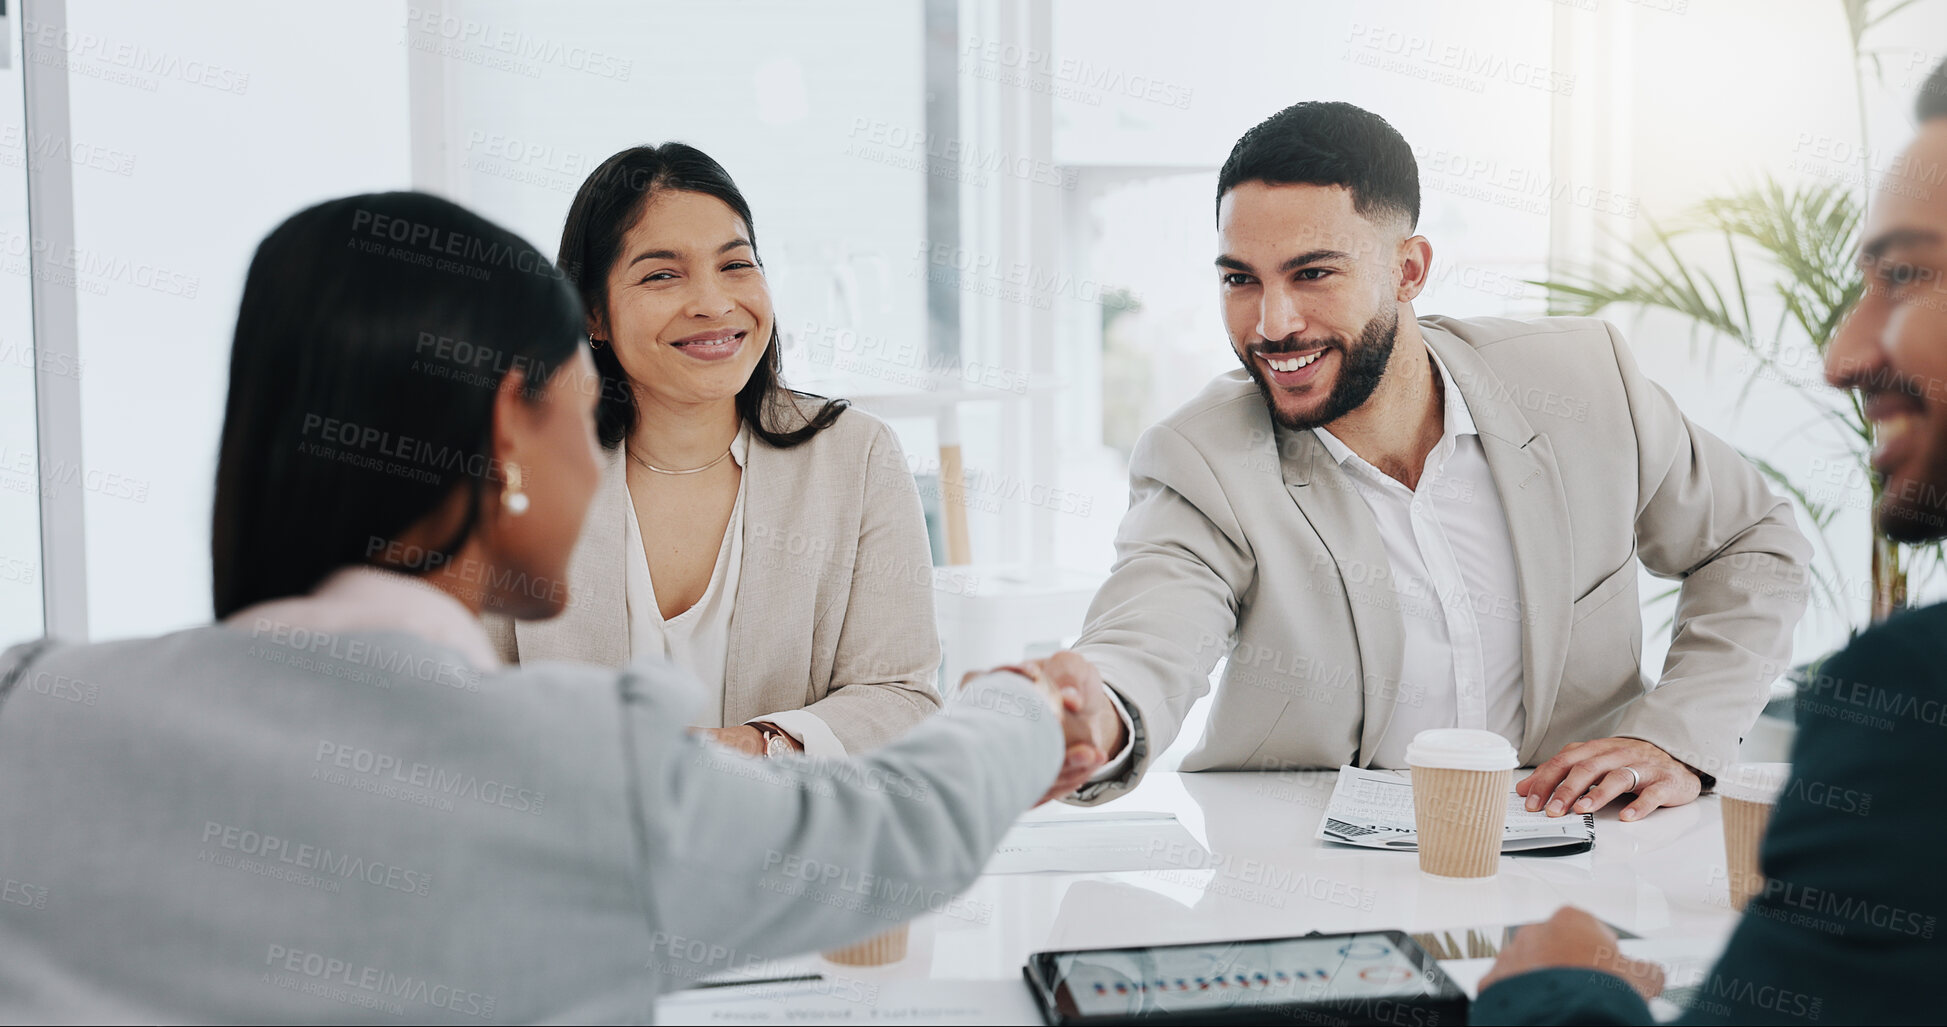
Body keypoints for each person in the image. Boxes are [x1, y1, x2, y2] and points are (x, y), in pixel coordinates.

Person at [0, 192, 1109, 1022]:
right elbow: (890, 836)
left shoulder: (28, 706)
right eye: (583, 417)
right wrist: (1025, 704)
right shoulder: (587, 773)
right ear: (510, 429)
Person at [1011, 101, 1812, 818]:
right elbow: (1148, 635)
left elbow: (1753, 543)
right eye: (1239, 280)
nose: (1271, 322)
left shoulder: (1582, 382)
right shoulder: (1202, 457)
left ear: (1409, 269)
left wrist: (1674, 736)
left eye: (1312, 273)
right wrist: (1095, 712)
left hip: (1584, 855)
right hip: (1321, 889)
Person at [1473, 58, 1947, 1024]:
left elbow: (1752, 538)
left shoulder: (1915, 702)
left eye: (1905, 275)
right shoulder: (1202, 445)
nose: (1842, 357)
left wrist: (1560, 986)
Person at [483, 143, 940, 759]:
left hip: (796, 845)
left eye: (736, 265)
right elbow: (463, 696)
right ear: (593, 312)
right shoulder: (522, 467)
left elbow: (901, 696)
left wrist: (748, 751)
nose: (714, 303)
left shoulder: (856, 456)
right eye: (662, 274)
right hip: (569, 844)